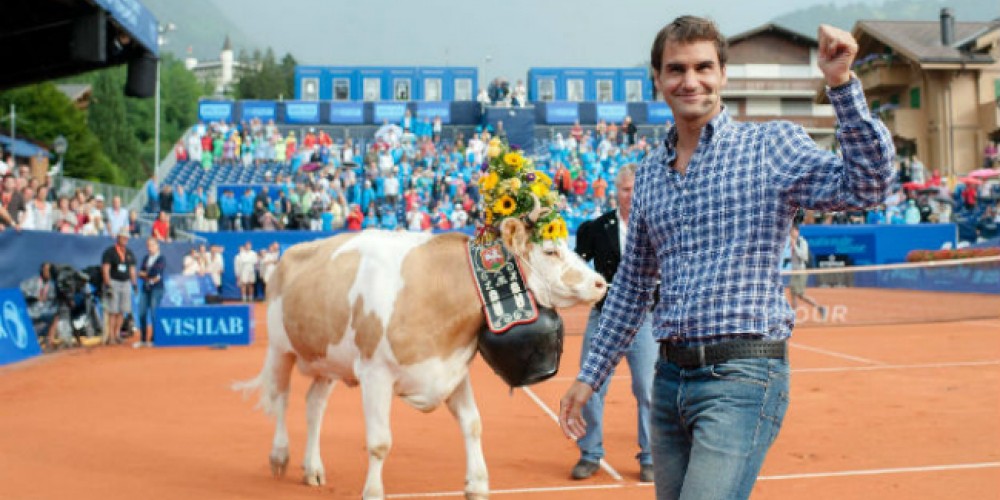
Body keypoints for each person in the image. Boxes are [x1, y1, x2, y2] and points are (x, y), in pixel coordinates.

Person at [558, 17, 894, 500]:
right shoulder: (650, 175)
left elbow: (869, 186)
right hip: (670, 380)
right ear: (658, 80)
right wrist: (590, 376)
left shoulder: (770, 147)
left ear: (723, 74)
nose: (689, 80)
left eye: (703, 67)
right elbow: (632, 287)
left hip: (742, 375)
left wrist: (840, 84)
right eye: (676, 69)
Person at [570, 163, 656, 482]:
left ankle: (649, 457)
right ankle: (590, 454)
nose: (631, 196)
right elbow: (577, 266)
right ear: (615, 192)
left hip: (644, 319)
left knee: (648, 389)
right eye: (625, 190)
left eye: (636, 189)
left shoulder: (656, 225)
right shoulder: (595, 228)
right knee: (591, 387)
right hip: (604, 317)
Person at [101, 230, 138, 345]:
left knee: (122, 311)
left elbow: (132, 270)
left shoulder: (129, 253)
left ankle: (117, 334)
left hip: (126, 283)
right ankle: (111, 336)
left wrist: (134, 284)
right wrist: (107, 285)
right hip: (114, 282)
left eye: (126, 238)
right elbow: (105, 269)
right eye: (123, 237)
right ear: (118, 237)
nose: (125, 239)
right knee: (113, 311)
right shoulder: (110, 252)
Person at [786, 225, 827, 321]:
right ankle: (793, 317)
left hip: (801, 271)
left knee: (800, 295)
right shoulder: (790, 242)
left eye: (793, 231)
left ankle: (820, 308)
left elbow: (804, 257)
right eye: (790, 232)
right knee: (793, 294)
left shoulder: (802, 242)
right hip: (794, 271)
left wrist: (794, 246)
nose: (791, 233)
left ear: (797, 232)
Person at [135, 237, 165, 348]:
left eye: (152, 245)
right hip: (145, 289)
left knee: (153, 314)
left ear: (157, 246)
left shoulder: (161, 259)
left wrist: (147, 275)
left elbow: (157, 276)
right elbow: (140, 273)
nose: (150, 248)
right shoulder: (145, 258)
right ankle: (143, 339)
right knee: (142, 313)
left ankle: (155, 338)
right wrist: (149, 275)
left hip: (157, 289)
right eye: (148, 245)